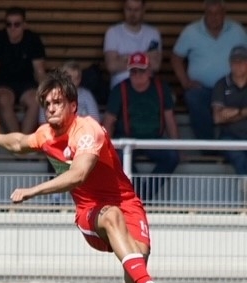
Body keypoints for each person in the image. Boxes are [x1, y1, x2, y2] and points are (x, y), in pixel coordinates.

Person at [0, 68, 162, 283]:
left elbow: (79, 173)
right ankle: (147, 282)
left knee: (138, 258)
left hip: (128, 203)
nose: (51, 108)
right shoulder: (45, 134)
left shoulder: (88, 131)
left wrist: (33, 190)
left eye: (57, 102)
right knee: (116, 224)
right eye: (47, 104)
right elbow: (19, 142)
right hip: (89, 212)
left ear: (73, 105)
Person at [102, 52, 179, 202]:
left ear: (149, 71)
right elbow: (109, 121)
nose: (137, 75)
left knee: (172, 157)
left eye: (141, 71)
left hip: (154, 140)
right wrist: (104, 148)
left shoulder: (161, 88)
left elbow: (170, 119)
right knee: (117, 158)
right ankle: (140, 197)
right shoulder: (120, 89)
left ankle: (142, 196)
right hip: (127, 140)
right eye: (133, 71)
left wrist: (178, 146)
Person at [171, 0, 247, 140]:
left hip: (230, 87)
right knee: (192, 97)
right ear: (204, 13)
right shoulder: (191, 32)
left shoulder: (237, 31)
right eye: (210, 13)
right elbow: (176, 58)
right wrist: (185, 82)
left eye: (217, 13)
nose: (214, 17)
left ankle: (229, 141)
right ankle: (208, 146)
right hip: (202, 89)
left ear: (224, 13)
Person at [0, 6, 46, 134]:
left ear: (24, 25)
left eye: (17, 24)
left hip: (27, 84)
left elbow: (39, 71)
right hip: (3, 84)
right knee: (3, 100)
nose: (12, 28)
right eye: (8, 24)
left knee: (36, 101)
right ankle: (17, 140)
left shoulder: (33, 40)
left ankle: (23, 141)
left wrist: (46, 94)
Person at [103, 0, 162, 89]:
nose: (132, 14)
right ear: (124, 9)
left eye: (136, 10)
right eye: (129, 9)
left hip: (147, 86)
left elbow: (155, 65)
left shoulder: (153, 33)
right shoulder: (113, 32)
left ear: (143, 10)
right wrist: (144, 57)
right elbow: (112, 66)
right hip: (120, 86)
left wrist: (124, 58)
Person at [212, 44, 247, 174]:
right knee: (240, 158)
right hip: (229, 137)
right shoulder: (221, 84)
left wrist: (236, 111)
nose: (238, 65)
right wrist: (243, 112)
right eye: (234, 61)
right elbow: (217, 118)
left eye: (242, 61)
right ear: (229, 63)